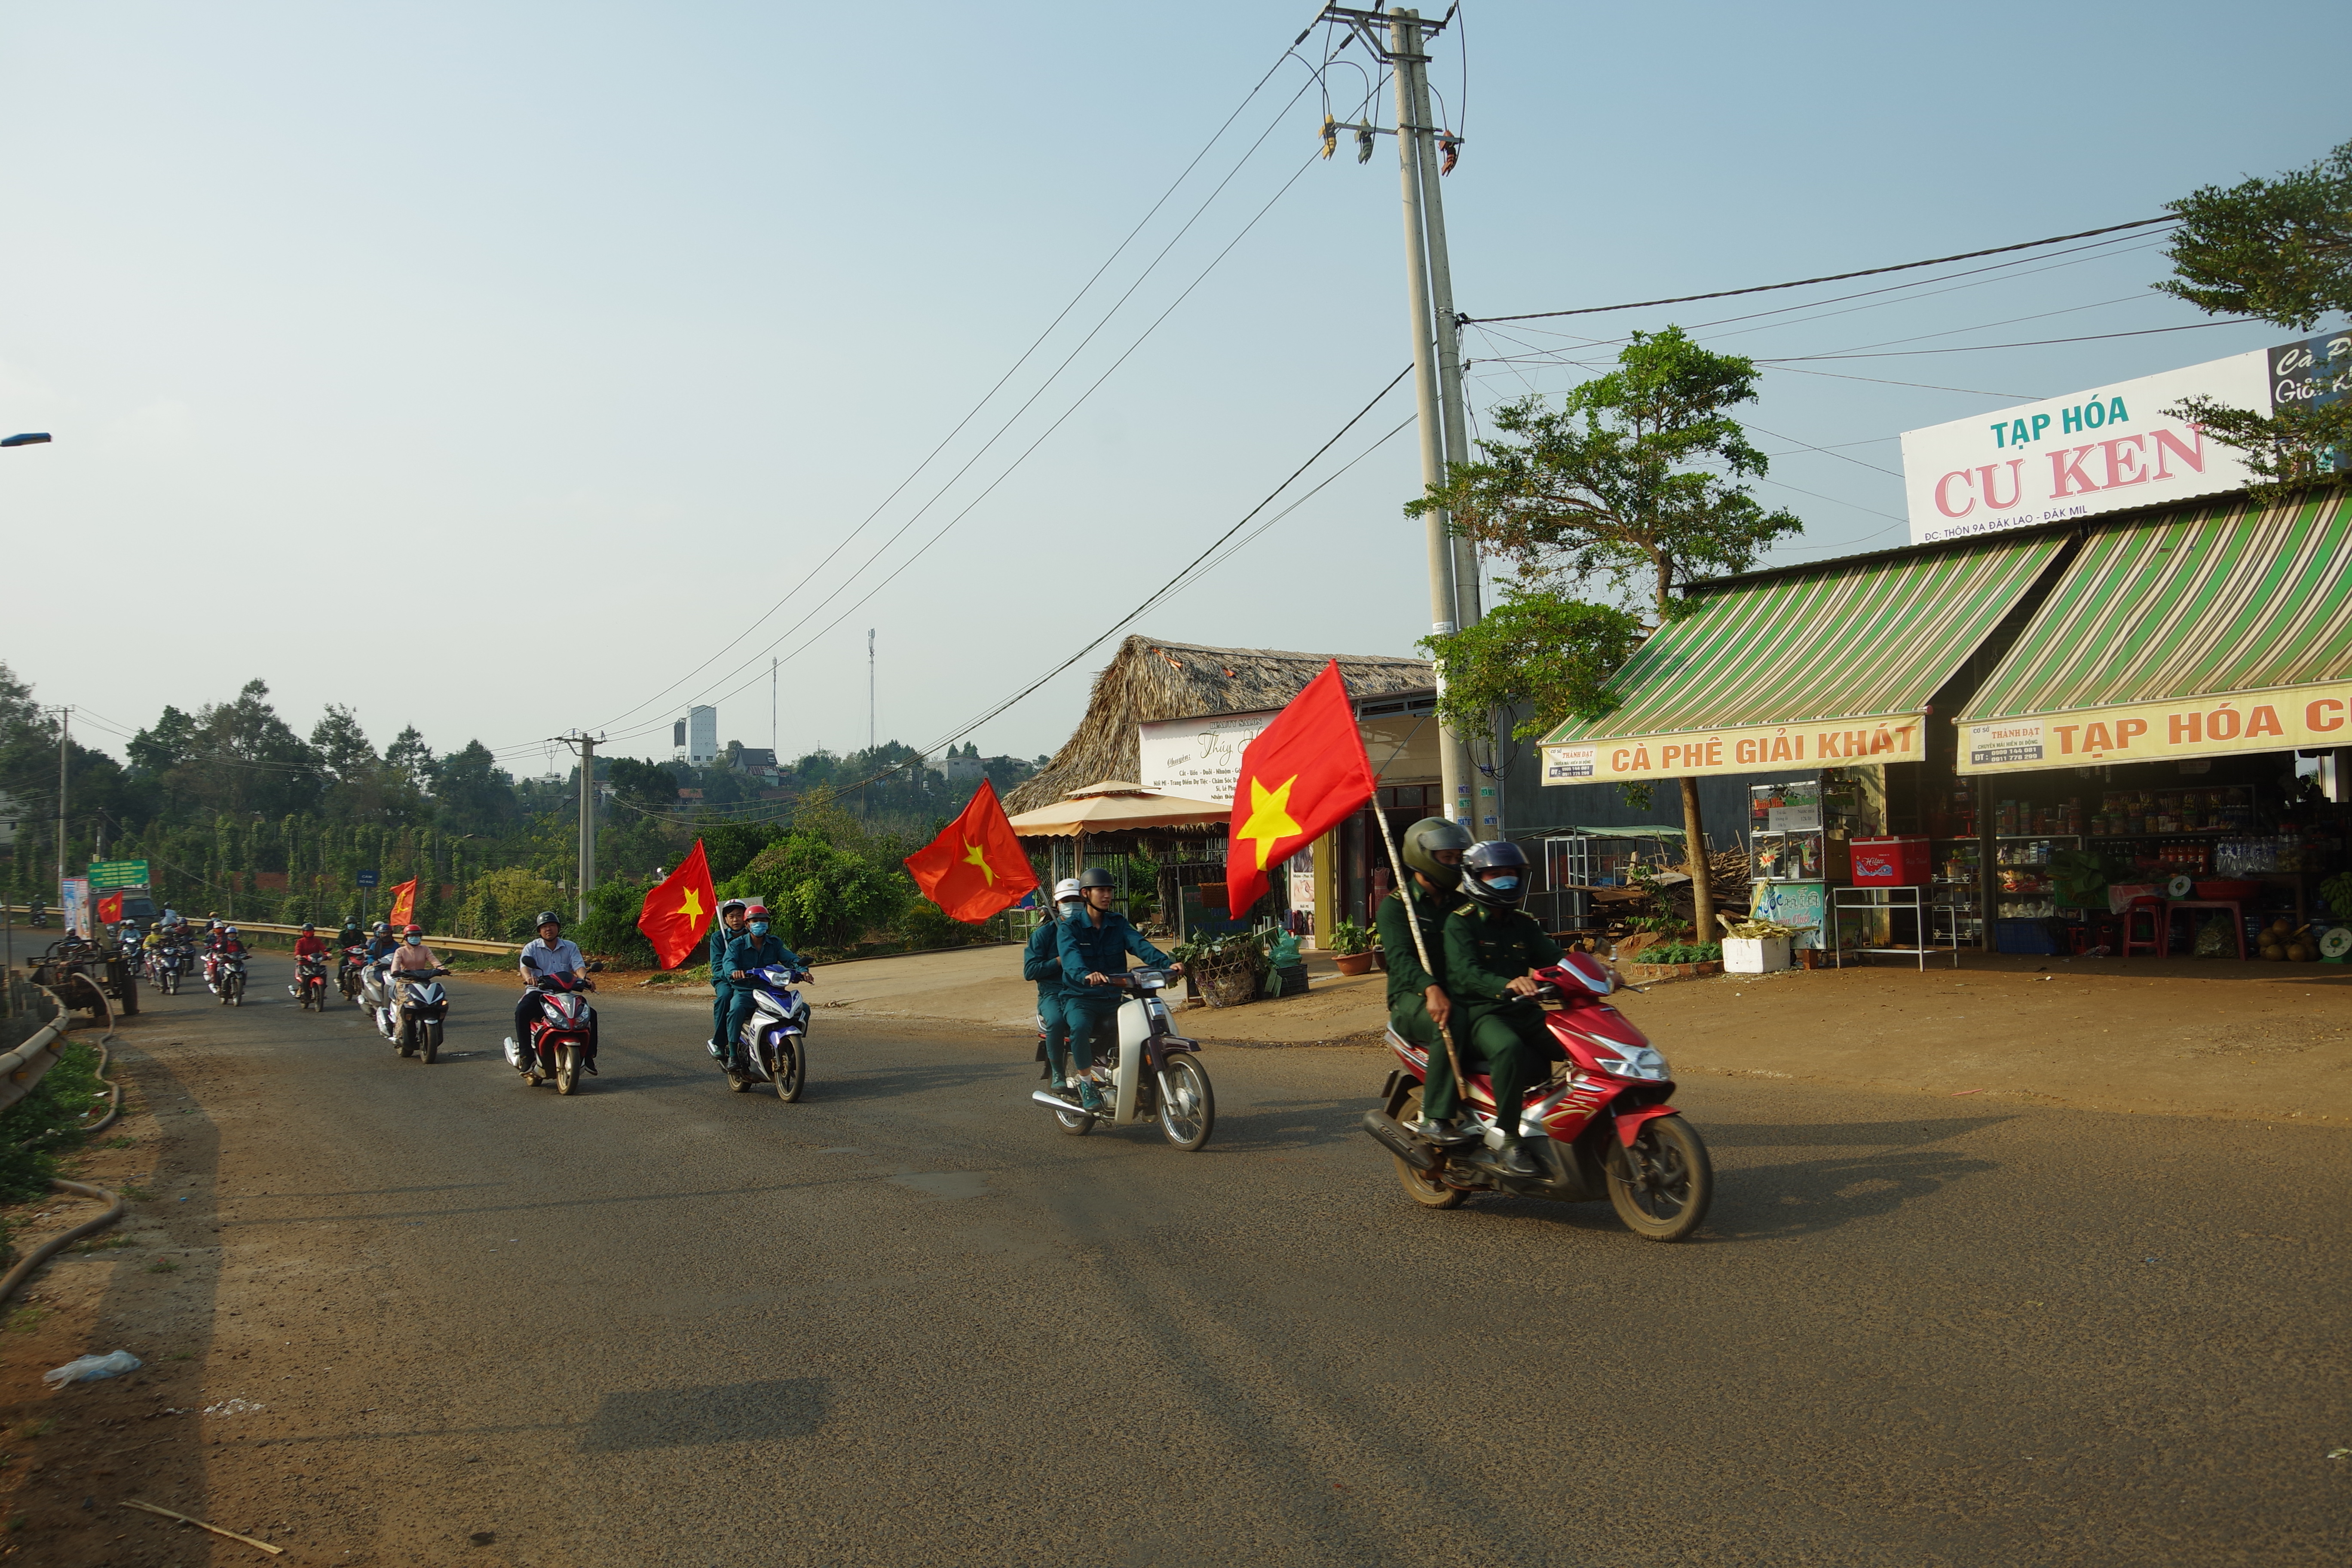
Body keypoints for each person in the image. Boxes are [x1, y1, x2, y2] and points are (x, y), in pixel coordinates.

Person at [1440, 840, 1568, 1178]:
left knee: (1575, 1042)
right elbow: (1465, 974)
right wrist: (1506, 984)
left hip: (1525, 1010)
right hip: (1483, 1013)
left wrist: (1596, 970)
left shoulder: (1523, 923)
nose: (1505, 879)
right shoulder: (1461, 923)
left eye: (1511, 873)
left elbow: (1555, 957)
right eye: (1495, 873)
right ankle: (1509, 1139)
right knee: (1509, 1049)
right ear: (1475, 878)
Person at [1376, 818, 1476, 1144]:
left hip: (1456, 992)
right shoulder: (1396, 908)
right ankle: (1435, 1118)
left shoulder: (1463, 906)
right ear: (1422, 858)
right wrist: (1430, 987)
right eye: (1446, 858)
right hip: (1410, 999)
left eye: (1457, 858)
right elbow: (1401, 961)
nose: (1454, 864)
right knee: (1452, 1022)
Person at [1057, 867, 1179, 1113]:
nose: (1107, 896)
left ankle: (1142, 1083)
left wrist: (1168, 964)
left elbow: (1140, 946)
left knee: (1144, 1025)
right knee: (1080, 1027)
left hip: (1113, 997)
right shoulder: (1069, 928)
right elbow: (1071, 959)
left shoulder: (1118, 923)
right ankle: (1086, 1083)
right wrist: (1086, 974)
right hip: (1081, 998)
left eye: (1110, 891)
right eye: (1101, 890)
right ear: (1086, 894)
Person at [718, 906, 805, 1073]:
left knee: (803, 1009)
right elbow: (728, 962)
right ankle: (733, 1055)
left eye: (763, 920)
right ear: (748, 924)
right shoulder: (737, 945)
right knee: (736, 1010)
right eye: (755, 921)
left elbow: (790, 958)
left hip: (770, 991)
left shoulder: (775, 943)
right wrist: (734, 972)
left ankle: (793, 1045)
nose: (760, 924)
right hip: (746, 991)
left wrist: (802, 971)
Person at [514, 911, 597, 1066]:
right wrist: (529, 978)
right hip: (539, 993)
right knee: (522, 1011)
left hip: (564, 994)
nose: (548, 929)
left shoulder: (570, 947)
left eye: (552, 925)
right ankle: (526, 1055)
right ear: (540, 931)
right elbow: (525, 968)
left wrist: (584, 979)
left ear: (558, 928)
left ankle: (589, 1056)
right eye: (544, 927)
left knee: (590, 1014)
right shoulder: (531, 948)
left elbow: (579, 966)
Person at [1025, 879, 1084, 1091]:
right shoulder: (1043, 935)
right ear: (1058, 905)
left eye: (1077, 900)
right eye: (1067, 900)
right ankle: (1058, 1072)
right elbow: (1030, 971)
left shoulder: (1091, 929)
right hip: (1053, 994)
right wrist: (1058, 961)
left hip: (1085, 991)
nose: (1073, 905)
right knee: (1057, 1021)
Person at [705, 898, 751, 1060]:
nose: (735, 919)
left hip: (751, 979)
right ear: (725, 919)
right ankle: (720, 1042)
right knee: (725, 998)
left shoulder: (753, 935)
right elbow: (717, 967)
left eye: (739, 915)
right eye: (731, 916)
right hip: (726, 980)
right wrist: (731, 976)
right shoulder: (719, 938)